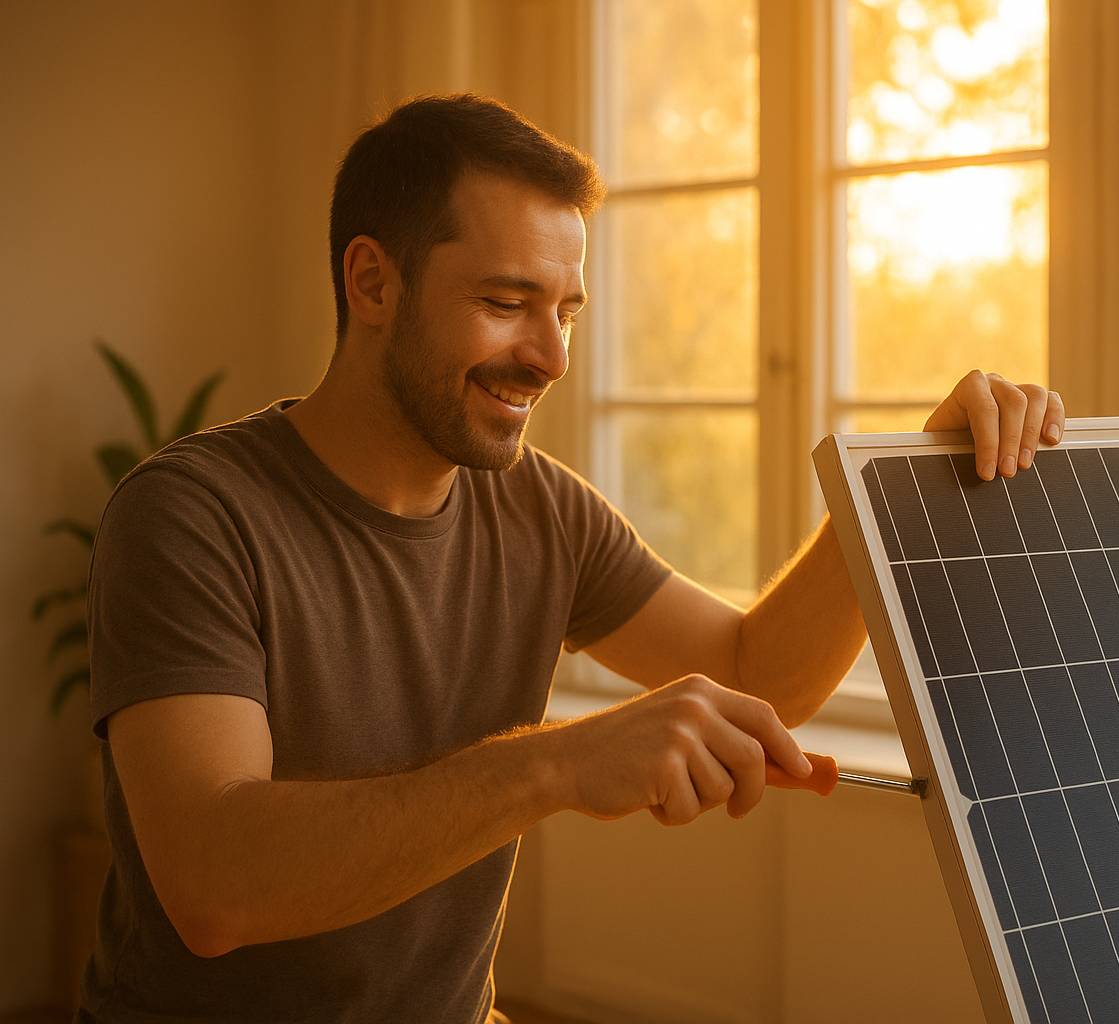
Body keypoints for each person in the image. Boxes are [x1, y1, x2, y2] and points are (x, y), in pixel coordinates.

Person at [76, 94, 1065, 1023]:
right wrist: (555, 764)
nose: (550, 357)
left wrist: (896, 486)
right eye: (508, 302)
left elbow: (757, 673)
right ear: (372, 282)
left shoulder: (540, 509)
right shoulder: (191, 515)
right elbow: (216, 887)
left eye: (566, 312)